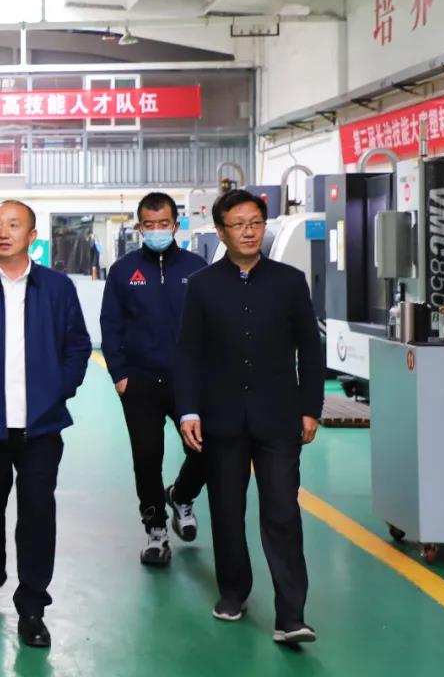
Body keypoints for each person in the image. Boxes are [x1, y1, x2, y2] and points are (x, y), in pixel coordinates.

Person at [0, 200, 91, 649]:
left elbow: (78, 346)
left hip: (40, 426)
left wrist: (57, 390)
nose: (3, 232)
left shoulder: (57, 288)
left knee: (37, 512)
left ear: (32, 236)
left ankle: (32, 606)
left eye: (13, 225)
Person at [175, 189, 323, 645]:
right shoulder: (202, 285)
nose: (249, 231)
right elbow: (188, 353)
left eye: (256, 223)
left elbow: (310, 348)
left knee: (283, 512)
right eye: (238, 224)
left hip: (278, 417)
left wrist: (310, 407)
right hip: (221, 418)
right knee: (226, 511)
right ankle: (233, 592)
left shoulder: (289, 282)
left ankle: (291, 615)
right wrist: (189, 410)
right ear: (221, 232)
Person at [100, 192, 208, 566]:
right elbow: (110, 324)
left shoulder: (197, 268)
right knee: (147, 458)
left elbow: (210, 323)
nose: (157, 230)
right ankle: (156, 531)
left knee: (205, 448)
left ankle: (181, 495)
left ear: (175, 225)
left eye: (164, 223)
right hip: (140, 381)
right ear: (139, 227)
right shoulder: (123, 271)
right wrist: (120, 375)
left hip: (188, 380)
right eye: (150, 224)